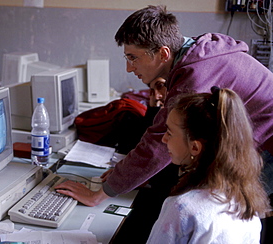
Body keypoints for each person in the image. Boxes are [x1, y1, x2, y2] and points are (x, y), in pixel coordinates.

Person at [56, 4, 273, 220]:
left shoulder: (195, 76)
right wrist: (124, 174)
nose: (129, 68)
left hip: (268, 144)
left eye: (133, 58)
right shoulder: (197, 55)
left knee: (237, 214)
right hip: (259, 140)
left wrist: (99, 194)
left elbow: (158, 142)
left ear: (163, 53)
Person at [147, 87, 270, 243]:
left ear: (195, 147)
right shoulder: (247, 205)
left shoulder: (182, 208)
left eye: (169, 133)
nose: (164, 139)